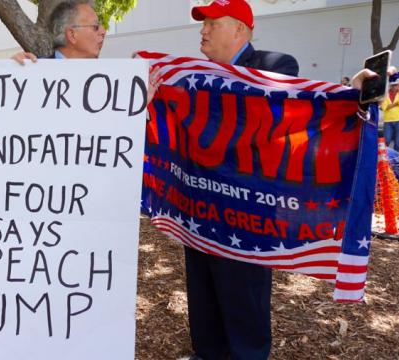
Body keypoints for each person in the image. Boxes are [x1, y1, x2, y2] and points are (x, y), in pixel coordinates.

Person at [165, 1, 299, 359]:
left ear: (239, 29)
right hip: (198, 212)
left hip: (245, 219)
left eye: (212, 23)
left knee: (243, 307)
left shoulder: (275, 67)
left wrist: (360, 94)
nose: (203, 31)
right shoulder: (193, 76)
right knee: (204, 302)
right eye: (203, 24)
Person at [12, 0, 106, 63]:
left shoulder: (107, 78)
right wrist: (12, 68)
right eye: (95, 27)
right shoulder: (34, 71)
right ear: (72, 35)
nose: (103, 31)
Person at [380, 73, 399, 152]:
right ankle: (385, 157)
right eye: (393, 85)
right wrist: (396, 103)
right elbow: (384, 107)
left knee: (397, 143)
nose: (395, 86)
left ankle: (396, 159)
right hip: (388, 121)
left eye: (396, 85)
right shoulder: (385, 94)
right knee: (387, 141)